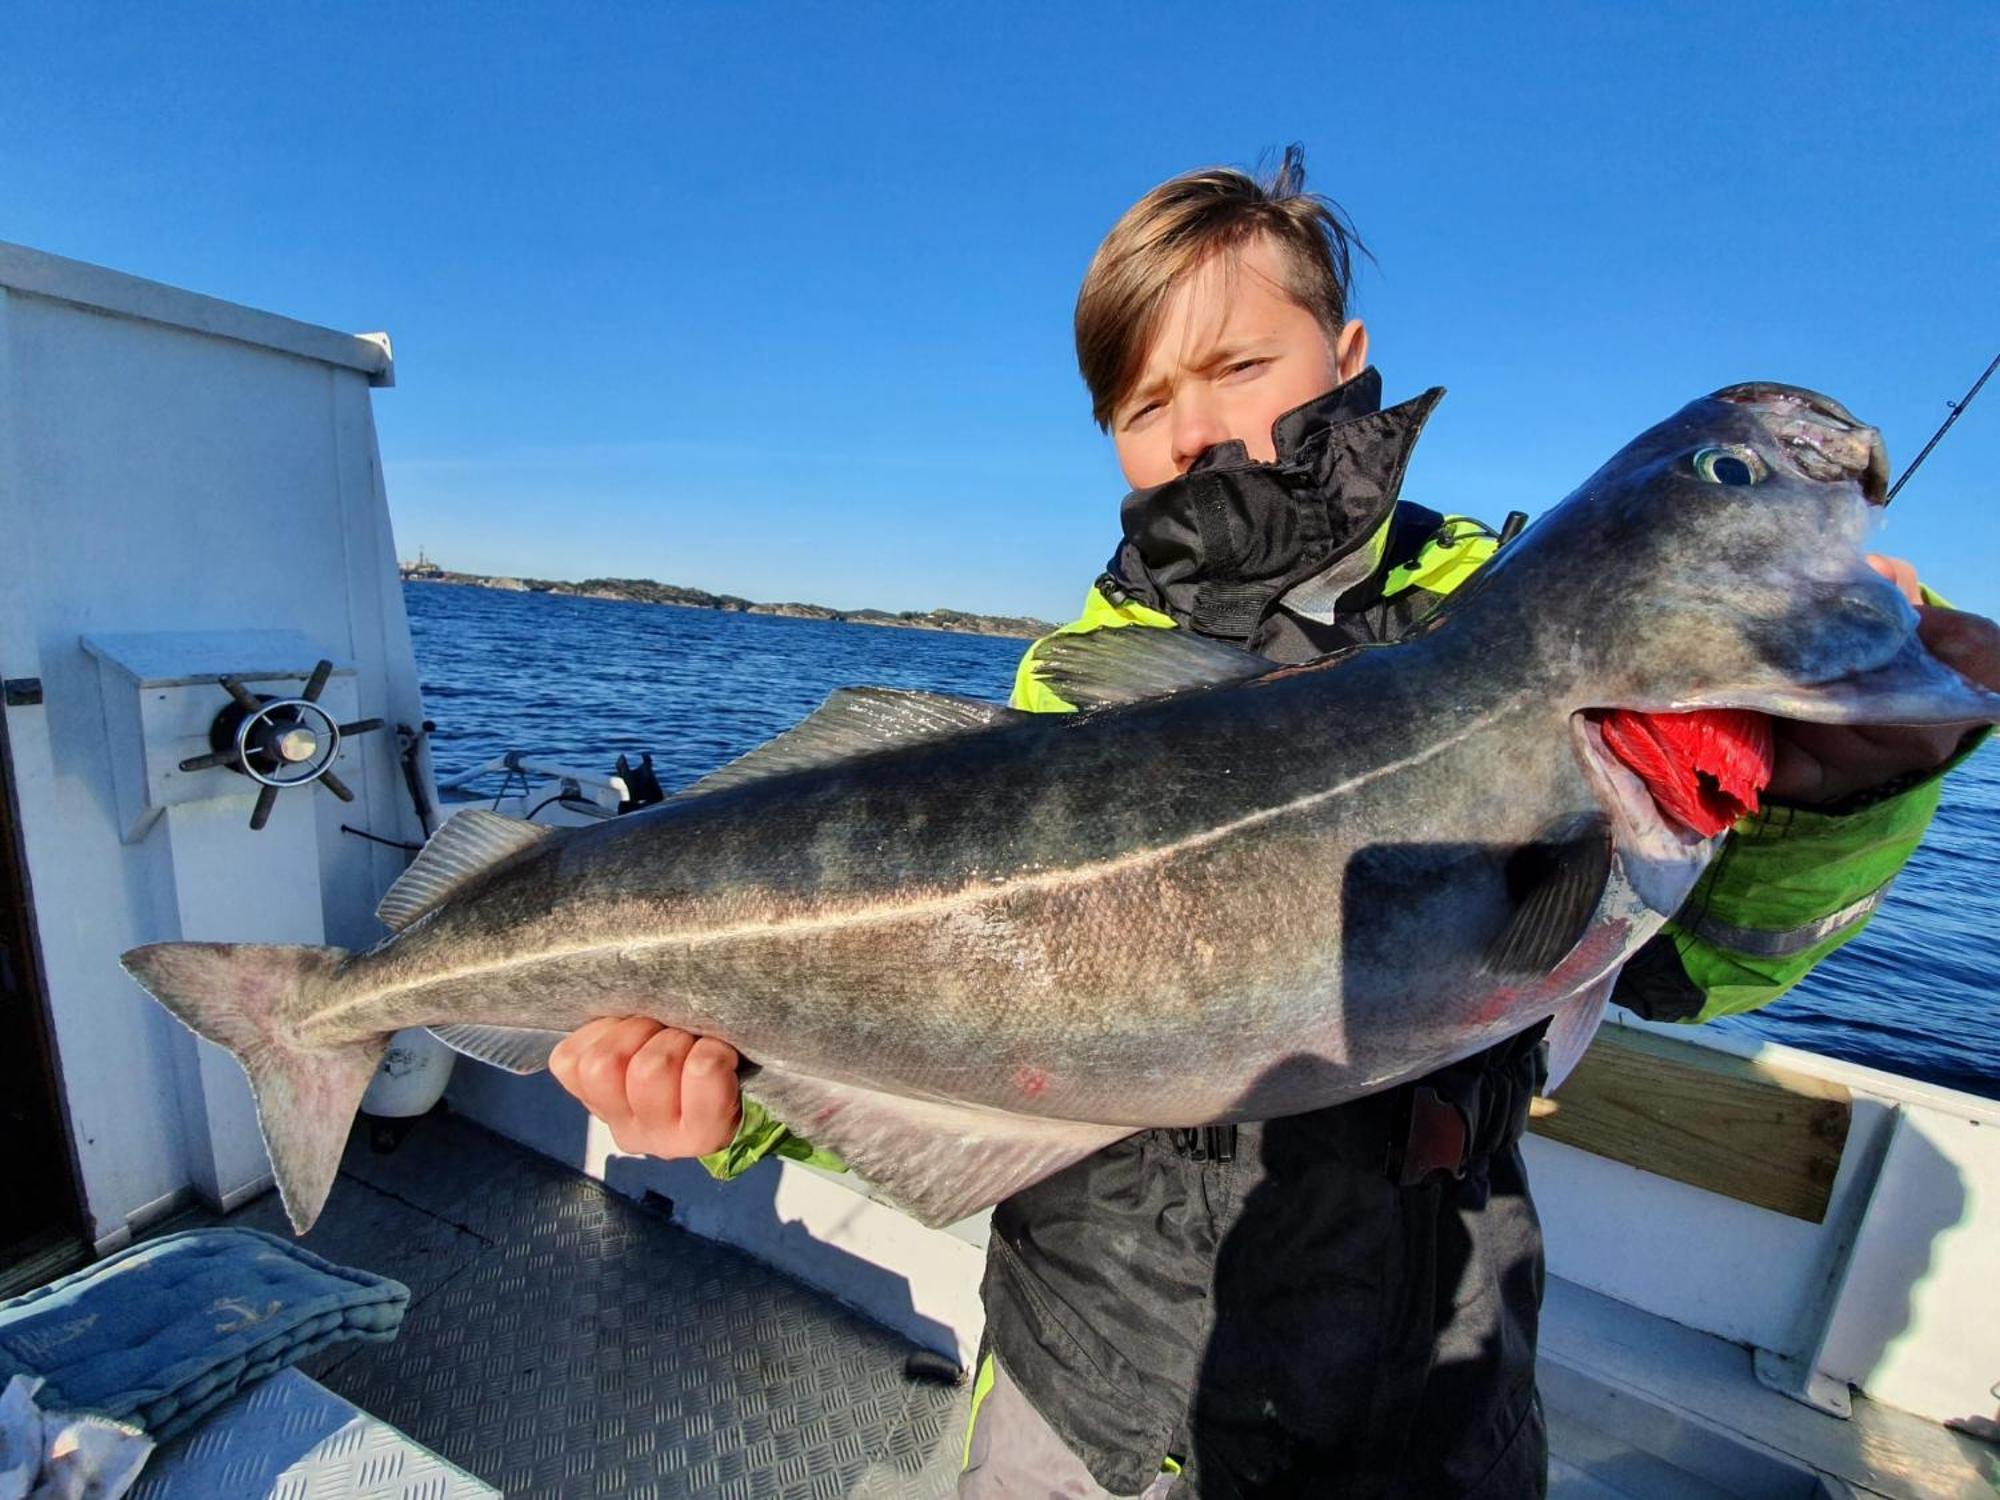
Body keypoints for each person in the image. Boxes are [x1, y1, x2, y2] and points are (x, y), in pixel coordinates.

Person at [549, 150, 1997, 1496]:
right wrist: (732, 1104)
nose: (1196, 430)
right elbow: (946, 1005)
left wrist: (1853, 790)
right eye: (1141, 402)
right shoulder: (1070, 688)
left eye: (1242, 362)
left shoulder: (1493, 618)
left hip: (1428, 1383)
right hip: (1086, 1388)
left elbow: (1695, 972)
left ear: (1346, 357)